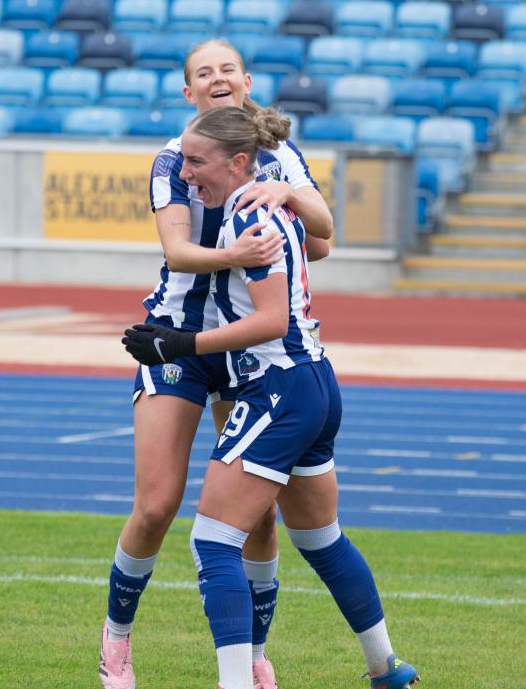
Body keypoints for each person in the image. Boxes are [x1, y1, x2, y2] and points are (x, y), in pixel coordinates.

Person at [122, 106, 420, 689]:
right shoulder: (265, 200)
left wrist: (183, 342)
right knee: (320, 538)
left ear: (238, 161)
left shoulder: (244, 215)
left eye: (196, 162)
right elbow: (318, 243)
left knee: (214, 541)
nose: (185, 173)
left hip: (277, 386)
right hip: (314, 382)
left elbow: (270, 320)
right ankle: (385, 666)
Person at [99, 38, 334, 689]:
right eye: (204, 72)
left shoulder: (279, 153)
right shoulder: (174, 159)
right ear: (189, 92)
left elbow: (324, 238)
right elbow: (176, 251)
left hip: (247, 347)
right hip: (176, 337)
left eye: (227, 68)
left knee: (256, 514)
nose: (218, 77)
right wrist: (236, 257)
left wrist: (287, 191)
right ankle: (116, 640)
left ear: (247, 80)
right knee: (156, 505)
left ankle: (253, 653)